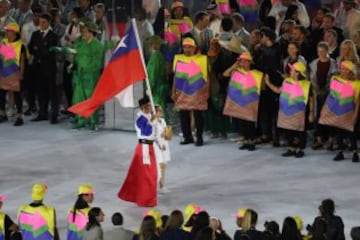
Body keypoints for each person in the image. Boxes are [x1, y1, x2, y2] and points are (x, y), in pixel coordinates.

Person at [266, 61, 314, 158]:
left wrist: (311, 113)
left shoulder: (306, 84)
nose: (290, 72)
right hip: (286, 112)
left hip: (299, 113)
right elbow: (278, 90)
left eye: (292, 70)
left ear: (297, 73)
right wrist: (268, 83)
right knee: (288, 129)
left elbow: (311, 99)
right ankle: (291, 148)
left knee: (299, 130)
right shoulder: (286, 81)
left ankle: (299, 149)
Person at [118, 96, 158, 207]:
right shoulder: (140, 119)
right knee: (148, 175)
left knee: (149, 174)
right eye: (149, 105)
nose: (151, 107)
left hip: (149, 147)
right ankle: (147, 199)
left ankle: (146, 198)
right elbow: (146, 132)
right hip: (144, 148)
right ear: (143, 107)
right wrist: (151, 121)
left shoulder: (149, 116)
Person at [222, 52, 266, 151]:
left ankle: (251, 142)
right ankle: (246, 141)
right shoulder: (236, 71)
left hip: (250, 102)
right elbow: (225, 74)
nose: (242, 63)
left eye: (245, 61)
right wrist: (234, 65)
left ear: (250, 62)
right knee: (242, 122)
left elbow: (261, 86)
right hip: (239, 102)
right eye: (241, 61)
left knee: (249, 123)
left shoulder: (256, 74)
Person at [319, 61, 360, 162]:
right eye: (342, 68)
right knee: (339, 132)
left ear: (351, 71)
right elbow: (331, 96)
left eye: (346, 69)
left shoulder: (356, 84)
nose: (343, 70)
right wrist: (325, 108)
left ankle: (355, 152)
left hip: (349, 112)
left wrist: (355, 115)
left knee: (351, 132)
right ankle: (340, 151)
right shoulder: (335, 79)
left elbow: (358, 102)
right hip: (336, 111)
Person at [172, 37, 209, 146]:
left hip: (198, 91)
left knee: (198, 116)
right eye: (185, 47)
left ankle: (199, 137)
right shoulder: (178, 59)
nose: (187, 49)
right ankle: (187, 137)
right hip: (182, 91)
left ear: (194, 48)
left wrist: (207, 91)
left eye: (189, 47)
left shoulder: (202, 59)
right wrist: (173, 90)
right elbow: (176, 76)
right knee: (183, 115)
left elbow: (207, 77)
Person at [71, 17, 103, 130]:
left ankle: (93, 121)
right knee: (79, 98)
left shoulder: (97, 45)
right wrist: (72, 64)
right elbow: (77, 55)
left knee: (91, 99)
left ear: (91, 32)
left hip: (91, 77)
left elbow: (97, 63)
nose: (82, 33)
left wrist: (86, 69)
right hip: (80, 75)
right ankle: (80, 120)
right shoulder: (82, 43)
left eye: (84, 31)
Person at [28, 13, 59, 124]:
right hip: (38, 66)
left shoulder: (53, 36)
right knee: (40, 91)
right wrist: (40, 49)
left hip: (49, 67)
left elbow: (50, 51)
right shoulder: (35, 34)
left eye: (44, 22)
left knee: (52, 91)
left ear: (48, 23)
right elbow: (31, 48)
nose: (41, 24)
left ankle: (54, 114)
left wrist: (39, 49)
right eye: (40, 22)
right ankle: (42, 113)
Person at [0, 22, 28, 126]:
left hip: (15, 72)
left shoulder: (21, 45)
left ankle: (19, 116)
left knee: (17, 95)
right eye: (6, 31)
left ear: (14, 33)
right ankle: (2, 114)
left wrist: (21, 73)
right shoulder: (3, 42)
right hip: (3, 73)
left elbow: (22, 61)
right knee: (1, 94)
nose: (6, 33)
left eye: (8, 31)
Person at [147, 36, 168, 121]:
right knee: (161, 107)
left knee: (157, 108)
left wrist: (150, 88)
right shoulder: (160, 55)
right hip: (162, 86)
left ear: (152, 45)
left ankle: (162, 128)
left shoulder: (154, 57)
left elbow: (153, 74)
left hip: (156, 88)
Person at [153, 105, 171, 193]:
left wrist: (167, 133)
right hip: (157, 146)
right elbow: (153, 136)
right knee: (159, 166)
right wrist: (159, 145)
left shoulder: (163, 120)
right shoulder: (154, 122)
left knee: (164, 165)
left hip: (164, 144)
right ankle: (158, 185)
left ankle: (162, 185)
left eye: (161, 110)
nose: (161, 112)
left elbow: (165, 132)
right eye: (159, 111)